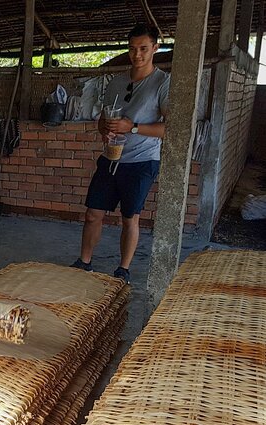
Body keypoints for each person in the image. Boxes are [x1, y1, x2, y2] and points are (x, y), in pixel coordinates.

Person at [70, 24, 170, 284]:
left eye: (144, 49)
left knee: (129, 218)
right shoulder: (117, 82)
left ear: (155, 49)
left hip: (141, 161)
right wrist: (105, 129)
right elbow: (105, 118)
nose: (137, 55)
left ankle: (123, 269)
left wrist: (133, 127)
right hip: (111, 158)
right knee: (93, 213)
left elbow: (170, 128)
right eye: (133, 49)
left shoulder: (162, 83)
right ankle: (84, 262)